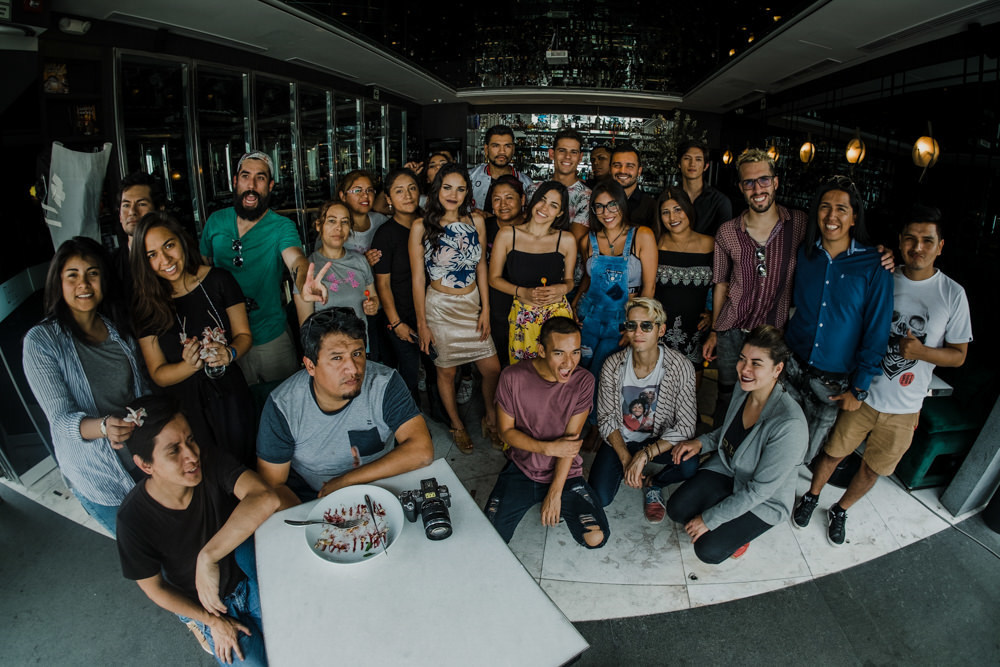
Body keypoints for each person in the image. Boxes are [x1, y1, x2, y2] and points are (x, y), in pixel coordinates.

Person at [792, 205, 971, 546]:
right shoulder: (882, 273)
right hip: (864, 392)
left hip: (906, 406)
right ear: (900, 242)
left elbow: (959, 356)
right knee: (833, 452)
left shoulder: (952, 294)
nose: (918, 247)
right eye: (910, 239)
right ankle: (812, 495)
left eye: (927, 240)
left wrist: (921, 353)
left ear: (940, 246)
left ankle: (841, 509)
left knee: (874, 468)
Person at [116, 395, 279, 666]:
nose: (192, 455)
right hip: (207, 609)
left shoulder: (209, 459)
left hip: (248, 580)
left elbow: (265, 496)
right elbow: (155, 588)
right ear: (146, 465)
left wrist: (207, 557)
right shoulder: (132, 519)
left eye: (190, 440)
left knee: (302, 638)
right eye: (174, 451)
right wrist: (211, 622)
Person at [23, 237, 149, 535]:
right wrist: (104, 426)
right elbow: (60, 421)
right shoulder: (41, 342)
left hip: (142, 458)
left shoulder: (119, 330)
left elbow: (141, 391)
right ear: (58, 282)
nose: (84, 283)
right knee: (143, 552)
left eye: (93, 273)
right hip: (99, 477)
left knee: (175, 544)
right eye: (73, 275)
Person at [256, 308, 434, 505]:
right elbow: (273, 484)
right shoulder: (283, 406)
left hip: (383, 486)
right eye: (337, 358)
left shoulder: (384, 383)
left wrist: (345, 482)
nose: (353, 368)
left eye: (357, 353)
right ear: (310, 366)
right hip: (315, 497)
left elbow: (422, 451)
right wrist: (311, 518)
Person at [666, 325, 808, 563]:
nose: (744, 369)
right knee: (677, 510)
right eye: (742, 359)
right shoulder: (743, 389)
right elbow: (731, 431)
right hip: (730, 468)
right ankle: (725, 509)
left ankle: (740, 535)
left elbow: (759, 491)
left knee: (707, 550)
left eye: (756, 363)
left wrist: (710, 519)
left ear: (777, 369)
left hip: (763, 498)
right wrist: (700, 443)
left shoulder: (789, 425)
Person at [132, 213, 258, 468]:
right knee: (207, 470)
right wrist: (188, 366)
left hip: (230, 396)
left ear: (181, 240)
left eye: (169, 245)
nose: (165, 260)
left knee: (247, 461)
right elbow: (158, 373)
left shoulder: (219, 280)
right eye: (152, 255)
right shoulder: (145, 306)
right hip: (186, 409)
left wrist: (230, 353)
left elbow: (244, 336)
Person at [783, 176, 894, 464]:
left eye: (841, 209)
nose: (831, 216)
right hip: (791, 366)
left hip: (831, 383)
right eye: (825, 207)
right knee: (776, 438)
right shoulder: (804, 254)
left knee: (804, 454)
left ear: (854, 217)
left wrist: (859, 388)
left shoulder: (875, 265)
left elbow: (877, 330)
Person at [485, 317, 609, 548]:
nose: (569, 363)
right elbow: (506, 433)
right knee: (490, 540)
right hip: (522, 468)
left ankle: (552, 496)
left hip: (566, 473)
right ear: (542, 350)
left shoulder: (584, 381)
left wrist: (555, 493)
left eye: (575, 352)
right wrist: (548, 448)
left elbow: (570, 443)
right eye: (559, 353)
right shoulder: (512, 377)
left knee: (595, 537)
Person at [410, 163, 502, 453]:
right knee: (446, 373)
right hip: (440, 308)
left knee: (492, 370)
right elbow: (417, 279)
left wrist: (485, 309)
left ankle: (490, 418)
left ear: (467, 192)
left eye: (460, 189)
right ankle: (457, 425)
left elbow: (481, 265)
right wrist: (422, 324)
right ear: (437, 189)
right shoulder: (421, 225)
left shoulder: (476, 221)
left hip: (472, 304)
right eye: (447, 187)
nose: (453, 194)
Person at [199, 150, 312, 385]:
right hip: (226, 339)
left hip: (271, 335)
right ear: (235, 181)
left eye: (260, 178)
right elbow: (203, 268)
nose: (251, 185)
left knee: (286, 395)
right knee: (239, 401)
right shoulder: (216, 221)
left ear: (270, 185)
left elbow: (295, 260)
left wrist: (304, 280)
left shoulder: (281, 226)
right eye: (245, 176)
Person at [589, 297, 698, 521]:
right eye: (632, 325)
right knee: (599, 498)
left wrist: (644, 455)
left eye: (646, 325)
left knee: (689, 463)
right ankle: (627, 467)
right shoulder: (613, 365)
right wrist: (626, 459)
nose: (638, 332)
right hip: (622, 439)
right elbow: (607, 418)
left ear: (661, 330)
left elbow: (686, 426)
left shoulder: (680, 367)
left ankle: (654, 482)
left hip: (659, 440)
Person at [372, 168, 443, 417]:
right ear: (388, 198)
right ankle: (412, 421)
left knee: (437, 368)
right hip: (401, 314)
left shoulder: (431, 224)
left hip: (433, 310)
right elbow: (383, 285)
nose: (408, 195)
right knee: (409, 372)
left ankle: (440, 413)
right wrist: (396, 323)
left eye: (412, 188)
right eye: (399, 191)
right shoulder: (385, 234)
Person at [572, 179, 656, 376]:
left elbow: (649, 287)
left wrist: (635, 327)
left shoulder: (642, 235)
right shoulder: (588, 240)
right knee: (580, 372)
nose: (606, 212)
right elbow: (589, 278)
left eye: (612, 205)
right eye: (599, 207)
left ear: (622, 204)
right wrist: (574, 306)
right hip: (589, 318)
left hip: (622, 321)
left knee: (606, 374)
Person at [489, 181, 577, 364]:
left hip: (557, 318)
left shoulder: (566, 240)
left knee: (557, 370)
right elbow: (493, 279)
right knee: (523, 372)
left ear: (560, 213)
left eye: (553, 205)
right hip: (523, 317)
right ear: (533, 200)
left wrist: (562, 289)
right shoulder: (507, 234)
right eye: (542, 200)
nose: (544, 208)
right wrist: (523, 292)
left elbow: (570, 281)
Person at [654, 186, 714, 378]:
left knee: (690, 389)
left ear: (688, 209)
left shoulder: (711, 244)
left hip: (695, 330)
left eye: (678, 209)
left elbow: (720, 286)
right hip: (659, 329)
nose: (672, 217)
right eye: (665, 212)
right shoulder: (654, 243)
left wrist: (713, 315)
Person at [293, 201, 379, 328]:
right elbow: (306, 327)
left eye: (344, 222)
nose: (339, 227)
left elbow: (373, 296)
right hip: (327, 341)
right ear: (318, 225)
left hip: (359, 339)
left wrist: (373, 306)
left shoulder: (360, 261)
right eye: (332, 221)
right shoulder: (308, 270)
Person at [485, 175, 527, 368]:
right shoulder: (485, 227)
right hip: (493, 306)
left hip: (525, 306)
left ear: (522, 199)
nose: (503, 205)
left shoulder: (534, 228)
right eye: (497, 199)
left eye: (509, 198)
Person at [525, 128, 593, 244]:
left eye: (573, 152)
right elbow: (525, 230)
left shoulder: (587, 197)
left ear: (580, 157)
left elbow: (573, 241)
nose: (567, 156)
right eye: (562, 150)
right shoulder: (533, 190)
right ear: (552, 154)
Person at [110, 171, 165, 305]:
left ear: (159, 210)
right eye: (126, 205)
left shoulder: (173, 258)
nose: (132, 212)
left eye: (141, 204)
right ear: (119, 215)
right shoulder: (109, 264)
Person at [470, 124, 533, 214]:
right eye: (496, 146)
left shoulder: (526, 184)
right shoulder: (471, 177)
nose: (502, 151)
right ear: (486, 149)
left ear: (513, 149)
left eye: (507, 146)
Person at [676, 139, 732, 237]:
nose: (692, 164)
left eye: (698, 159)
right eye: (687, 158)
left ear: (706, 166)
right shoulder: (669, 196)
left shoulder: (720, 202)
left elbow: (724, 240)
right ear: (679, 164)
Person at [337, 169, 388, 263]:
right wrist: (362, 263)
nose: (365, 195)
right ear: (343, 196)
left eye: (370, 190)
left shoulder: (381, 221)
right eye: (357, 190)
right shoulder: (333, 229)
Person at [610, 144, 656, 230]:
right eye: (617, 165)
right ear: (610, 169)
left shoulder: (650, 205)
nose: (622, 171)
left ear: (639, 171)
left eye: (630, 166)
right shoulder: (600, 201)